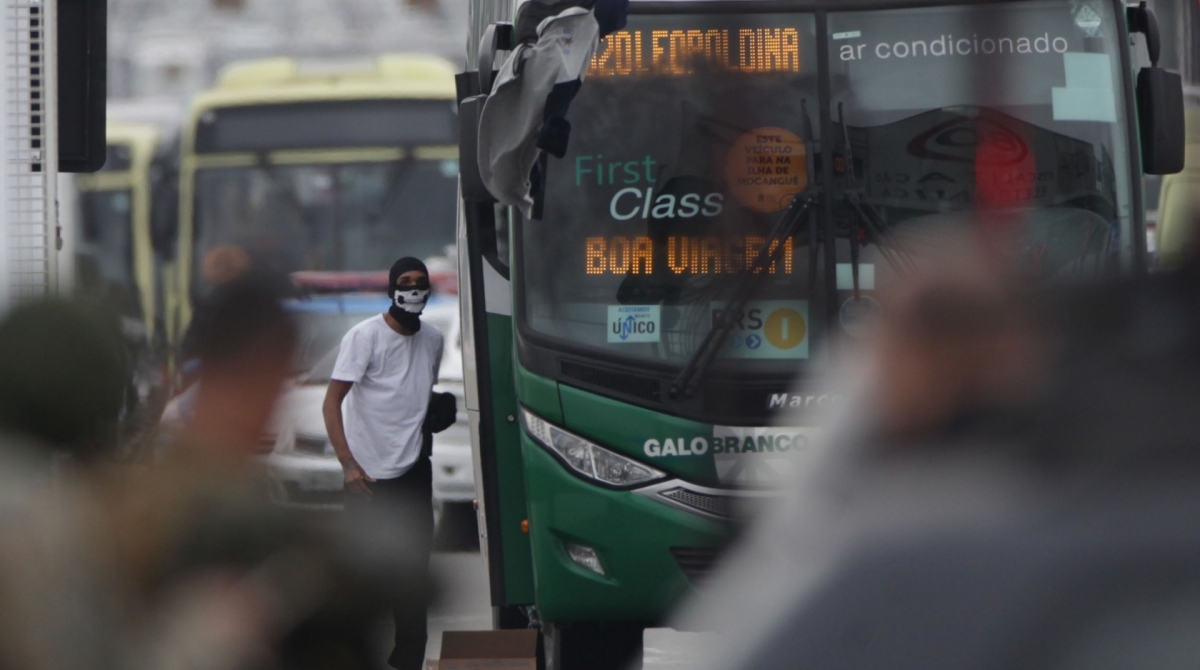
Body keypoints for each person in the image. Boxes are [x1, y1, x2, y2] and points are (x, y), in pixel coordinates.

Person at [324, 256, 444, 670]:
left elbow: (417, 394)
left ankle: (407, 662)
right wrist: (348, 464)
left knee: (414, 577)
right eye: (405, 282)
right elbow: (331, 402)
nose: (413, 288)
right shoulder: (364, 337)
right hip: (367, 478)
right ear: (392, 289)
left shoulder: (433, 339)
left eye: (420, 281)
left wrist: (438, 410)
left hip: (414, 471)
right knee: (363, 581)